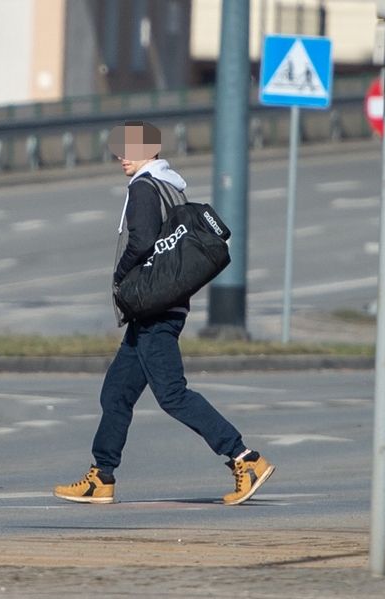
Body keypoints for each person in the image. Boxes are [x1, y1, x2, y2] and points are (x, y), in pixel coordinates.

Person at [53, 121, 274, 506]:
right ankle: (101, 476)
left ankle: (245, 458)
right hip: (160, 307)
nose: (121, 155)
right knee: (116, 393)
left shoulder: (143, 187)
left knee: (172, 394)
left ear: (149, 151)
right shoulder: (171, 186)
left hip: (153, 310)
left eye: (129, 148)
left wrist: (121, 277)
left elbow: (141, 242)